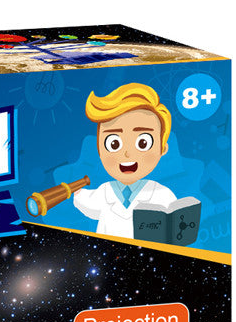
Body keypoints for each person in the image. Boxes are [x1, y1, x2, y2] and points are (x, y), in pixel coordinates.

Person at [71, 84, 177, 239]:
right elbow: (87, 202)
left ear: (162, 148)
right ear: (99, 149)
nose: (127, 154)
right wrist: (77, 192)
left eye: (143, 143)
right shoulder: (105, 191)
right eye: (113, 144)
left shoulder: (161, 194)